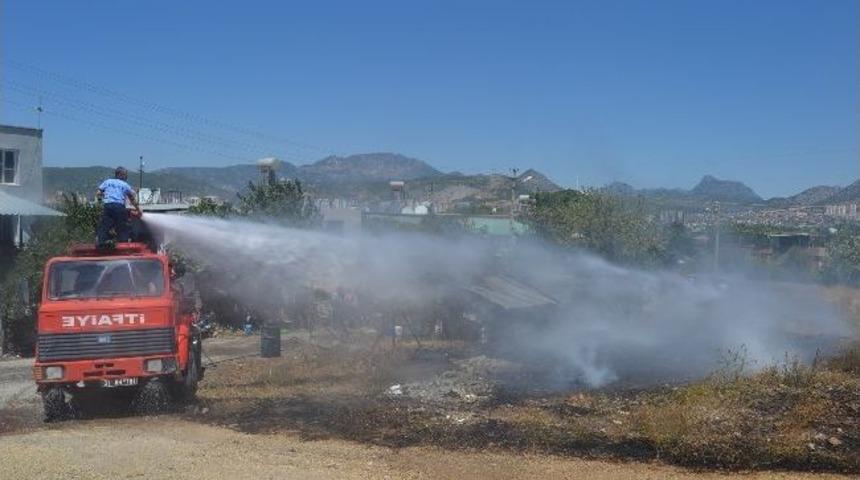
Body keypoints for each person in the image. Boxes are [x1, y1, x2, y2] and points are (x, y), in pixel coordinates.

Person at [95, 166, 141, 247]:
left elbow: (98, 193)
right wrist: (138, 210)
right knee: (122, 227)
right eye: (126, 175)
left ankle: (100, 243)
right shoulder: (125, 185)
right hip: (119, 207)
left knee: (105, 225)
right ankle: (123, 246)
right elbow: (132, 198)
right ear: (121, 175)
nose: (127, 177)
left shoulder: (107, 181)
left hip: (108, 206)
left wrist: (102, 200)